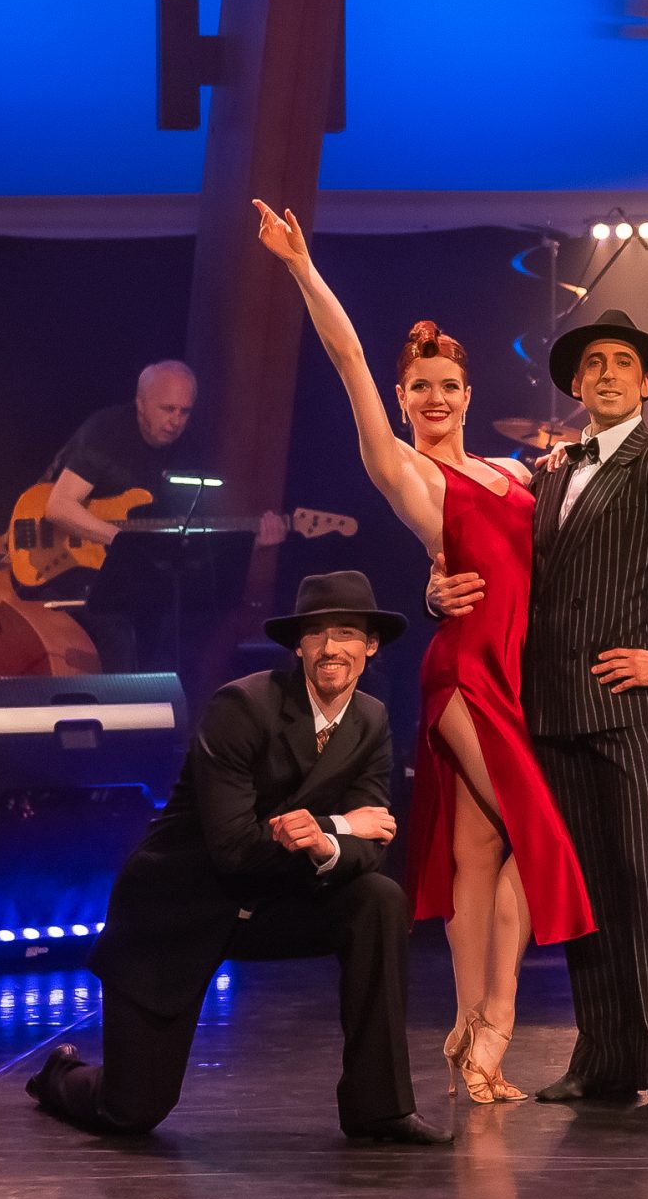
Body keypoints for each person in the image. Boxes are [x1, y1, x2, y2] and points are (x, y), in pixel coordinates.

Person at [252, 198, 593, 1105]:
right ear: (402, 400)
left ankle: (468, 1028)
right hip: (464, 673)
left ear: (470, 395)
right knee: (534, 834)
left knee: (481, 852)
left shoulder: (515, 471)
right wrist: (300, 267)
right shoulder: (407, 472)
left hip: (518, 673)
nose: (434, 398)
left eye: (448, 385)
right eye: (419, 387)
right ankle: (498, 1024)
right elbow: (347, 357)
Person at [429, 306, 648, 1114]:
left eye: (622, 363)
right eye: (594, 364)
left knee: (643, 877)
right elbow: (495, 563)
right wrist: (438, 592)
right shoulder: (551, 473)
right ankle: (605, 1057)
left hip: (628, 708)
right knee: (580, 885)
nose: (607, 374)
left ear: (646, 383)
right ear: (576, 383)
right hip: (550, 706)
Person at [26, 570, 447, 1146]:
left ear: (371, 646)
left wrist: (328, 841)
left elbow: (374, 844)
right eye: (317, 634)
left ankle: (380, 1108)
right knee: (131, 1112)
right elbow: (233, 849)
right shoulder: (242, 707)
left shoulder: (370, 718)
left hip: (273, 903)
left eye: (347, 633)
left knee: (378, 899)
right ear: (298, 646)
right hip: (181, 908)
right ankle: (60, 1075)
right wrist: (339, 827)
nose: (331, 648)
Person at [37, 361, 201, 669]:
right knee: (116, 629)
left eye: (185, 411)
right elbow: (59, 507)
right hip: (61, 560)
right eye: (167, 409)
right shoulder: (107, 431)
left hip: (123, 572)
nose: (176, 421)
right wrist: (123, 541)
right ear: (141, 403)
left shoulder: (187, 449)